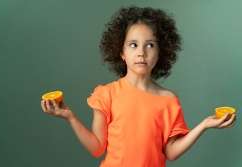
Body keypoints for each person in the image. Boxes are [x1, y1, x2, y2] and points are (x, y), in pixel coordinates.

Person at [40, 6, 236, 167]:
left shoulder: (168, 101)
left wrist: (203, 126)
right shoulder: (106, 94)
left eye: (150, 45)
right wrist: (70, 117)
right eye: (133, 45)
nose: (141, 52)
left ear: (161, 53)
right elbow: (97, 148)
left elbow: (171, 152)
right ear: (121, 52)